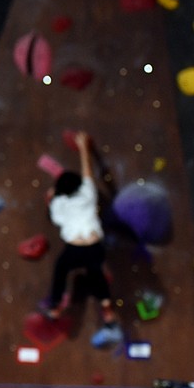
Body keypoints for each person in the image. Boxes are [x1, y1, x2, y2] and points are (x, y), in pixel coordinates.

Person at [40, 131, 121, 347]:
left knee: (61, 269)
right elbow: (87, 172)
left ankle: (55, 307)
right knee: (96, 272)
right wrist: (84, 146)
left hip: (74, 249)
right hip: (94, 247)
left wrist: (49, 199)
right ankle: (107, 309)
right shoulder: (88, 192)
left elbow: (56, 219)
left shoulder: (59, 204)